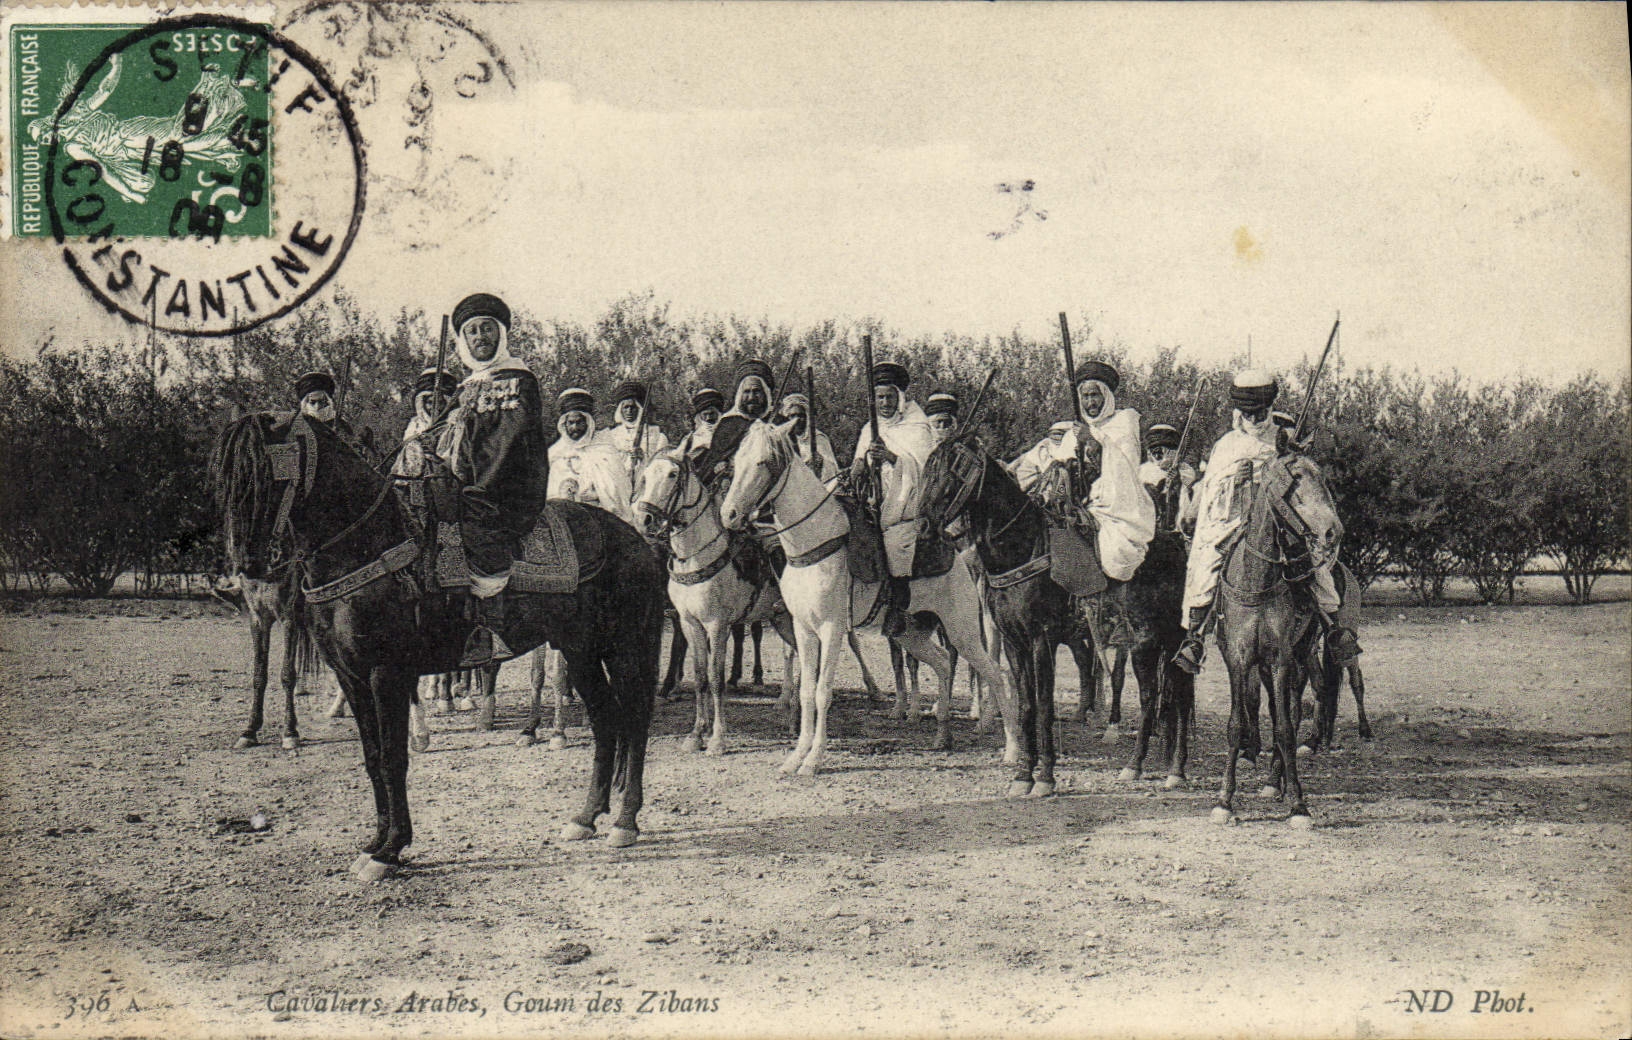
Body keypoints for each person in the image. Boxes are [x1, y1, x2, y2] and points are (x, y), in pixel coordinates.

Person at [1172, 371, 1360, 674]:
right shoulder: (1227, 446)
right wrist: (1235, 482)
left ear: (1270, 407)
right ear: (1239, 411)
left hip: (1280, 522)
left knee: (1314, 563)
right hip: (1231, 522)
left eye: (1261, 411)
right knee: (1206, 564)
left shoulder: (1283, 440)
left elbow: (1302, 484)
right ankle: (1195, 637)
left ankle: (1334, 628)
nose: (1255, 417)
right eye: (1249, 412)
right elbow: (1211, 493)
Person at [439, 292, 547, 667]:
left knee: (478, 532)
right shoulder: (464, 387)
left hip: (504, 486)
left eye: (487, 329)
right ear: (464, 341)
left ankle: (489, 631)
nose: (480, 336)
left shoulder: (518, 380)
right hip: (461, 485)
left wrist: (476, 485)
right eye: (472, 331)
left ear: (500, 335)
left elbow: (510, 440)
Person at [850, 360, 938, 635]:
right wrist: (860, 464)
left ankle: (899, 605)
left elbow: (924, 469)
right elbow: (859, 462)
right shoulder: (869, 428)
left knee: (896, 543)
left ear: (899, 397)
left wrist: (889, 457)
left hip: (904, 507)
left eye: (890, 396)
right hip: (872, 503)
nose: (885, 402)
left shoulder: (917, 426)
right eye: (879, 397)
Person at [1071, 361, 1157, 582]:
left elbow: (1125, 469)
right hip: (1075, 503)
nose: (1090, 402)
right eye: (1086, 396)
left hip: (1116, 506)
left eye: (1095, 395)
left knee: (1115, 553)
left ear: (1106, 396)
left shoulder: (1123, 423)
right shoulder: (1075, 429)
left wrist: (1092, 441)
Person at [547, 387, 633, 520]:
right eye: (571, 423)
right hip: (562, 518)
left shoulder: (603, 448)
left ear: (587, 422)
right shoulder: (555, 453)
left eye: (579, 422)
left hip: (598, 516)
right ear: (564, 423)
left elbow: (617, 492)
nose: (574, 427)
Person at [393, 367, 459, 481]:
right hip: (414, 478)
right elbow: (405, 455)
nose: (435, 408)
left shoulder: (454, 424)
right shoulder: (415, 424)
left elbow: (456, 459)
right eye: (430, 402)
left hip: (444, 480)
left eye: (440, 402)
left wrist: (435, 456)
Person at [1138, 422, 1199, 533]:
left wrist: (1177, 481)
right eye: (1153, 452)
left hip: (1176, 529)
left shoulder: (1185, 470)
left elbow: (1189, 497)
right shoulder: (1142, 471)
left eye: (1161, 452)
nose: (1157, 456)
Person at [776, 391, 838, 481]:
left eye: (801, 415)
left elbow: (830, 469)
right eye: (792, 416)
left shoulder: (818, 438)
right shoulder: (782, 439)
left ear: (806, 417)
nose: (796, 420)